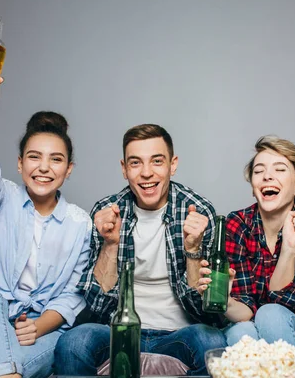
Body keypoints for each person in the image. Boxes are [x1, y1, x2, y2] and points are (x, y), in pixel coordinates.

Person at [0, 57, 92, 378]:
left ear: (68, 170)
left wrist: (40, 326)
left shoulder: (81, 224)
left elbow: (73, 294)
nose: (44, 167)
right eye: (34, 157)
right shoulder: (2, 198)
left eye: (56, 159)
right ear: (19, 164)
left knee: (38, 350)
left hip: (39, 332)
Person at [54, 124, 227, 376]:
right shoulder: (107, 211)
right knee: (73, 343)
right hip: (119, 331)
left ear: (173, 164)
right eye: (136, 163)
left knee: (212, 343)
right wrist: (110, 245)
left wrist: (193, 249)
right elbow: (98, 306)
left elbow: (203, 309)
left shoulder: (198, 210)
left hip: (178, 334)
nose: (147, 173)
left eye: (157, 161)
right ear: (124, 169)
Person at [197, 136, 295, 346]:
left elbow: (284, 303)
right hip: (250, 321)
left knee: (270, 314)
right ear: (253, 187)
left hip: (294, 326)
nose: (267, 176)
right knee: (241, 333)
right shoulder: (237, 224)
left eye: (280, 169)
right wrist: (225, 300)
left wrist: (289, 248)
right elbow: (245, 311)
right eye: (259, 171)